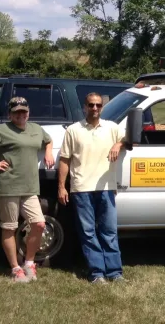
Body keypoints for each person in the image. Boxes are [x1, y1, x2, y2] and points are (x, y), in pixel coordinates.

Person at [0, 97, 54, 283]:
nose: (21, 115)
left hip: (30, 187)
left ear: (28, 112)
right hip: (7, 186)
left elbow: (48, 140)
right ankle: (15, 268)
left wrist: (48, 151)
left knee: (39, 224)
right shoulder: (1, 130)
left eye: (24, 111)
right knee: (10, 227)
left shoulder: (36, 129)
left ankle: (29, 262)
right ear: (10, 114)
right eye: (16, 112)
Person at [57, 92, 127, 283]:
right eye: (91, 105)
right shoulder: (73, 130)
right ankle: (97, 273)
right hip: (81, 188)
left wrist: (118, 144)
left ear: (102, 107)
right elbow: (64, 159)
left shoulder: (112, 128)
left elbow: (131, 141)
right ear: (84, 107)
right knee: (88, 232)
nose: (94, 108)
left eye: (97, 105)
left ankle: (115, 272)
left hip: (106, 187)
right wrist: (62, 187)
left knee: (109, 231)